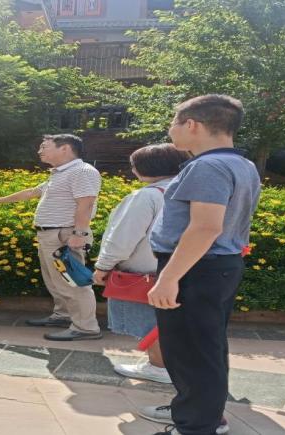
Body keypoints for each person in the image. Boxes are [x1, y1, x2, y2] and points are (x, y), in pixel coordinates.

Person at [137, 95, 261, 435]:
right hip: (216, 265)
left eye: (173, 123)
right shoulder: (242, 164)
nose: (171, 131)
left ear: (191, 124)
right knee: (206, 348)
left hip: (196, 267)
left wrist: (169, 278)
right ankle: (200, 415)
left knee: (190, 352)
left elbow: (205, 227)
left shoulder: (208, 166)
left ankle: (196, 426)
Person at [0, 134, 103, 341]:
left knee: (72, 281)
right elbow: (32, 192)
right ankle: (63, 316)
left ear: (64, 148)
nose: (39, 151)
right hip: (51, 234)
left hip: (65, 234)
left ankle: (86, 328)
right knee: (55, 281)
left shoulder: (82, 171)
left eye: (44, 147)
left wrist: (80, 233)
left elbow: (86, 204)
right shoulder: (61, 173)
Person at [91, 143, 189, 384]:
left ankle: (159, 367)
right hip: (183, 270)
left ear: (143, 168)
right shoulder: (189, 192)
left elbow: (123, 238)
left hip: (144, 273)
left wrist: (103, 266)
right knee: (171, 322)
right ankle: (175, 365)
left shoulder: (147, 196)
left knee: (150, 323)